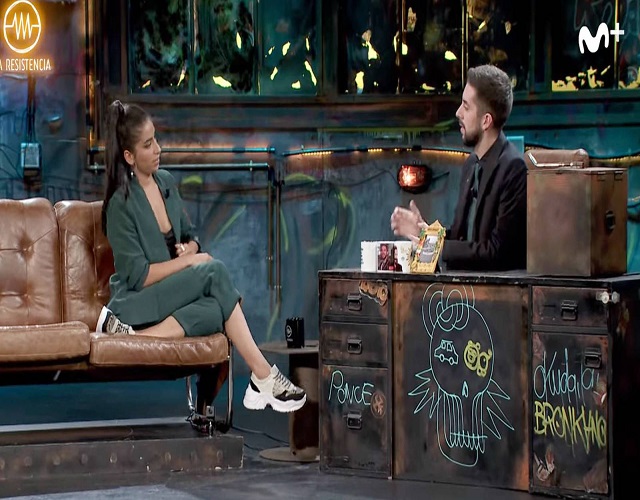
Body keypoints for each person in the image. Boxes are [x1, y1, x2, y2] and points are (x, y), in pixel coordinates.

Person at [96, 100, 306, 414]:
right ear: (129, 156)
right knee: (214, 271)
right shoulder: (119, 204)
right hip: (137, 299)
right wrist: (190, 261)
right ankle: (263, 375)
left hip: (171, 294)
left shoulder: (165, 182)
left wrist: (191, 249)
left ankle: (136, 337)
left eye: (156, 139)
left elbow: (191, 236)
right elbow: (138, 276)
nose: (158, 149)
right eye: (148, 144)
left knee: (215, 310)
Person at [390, 64, 526, 270]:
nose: (458, 113)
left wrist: (431, 243)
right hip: (462, 284)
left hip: (493, 288)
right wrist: (424, 232)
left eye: (466, 107)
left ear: (486, 121)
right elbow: (460, 238)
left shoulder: (513, 168)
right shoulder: (471, 164)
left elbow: (496, 251)